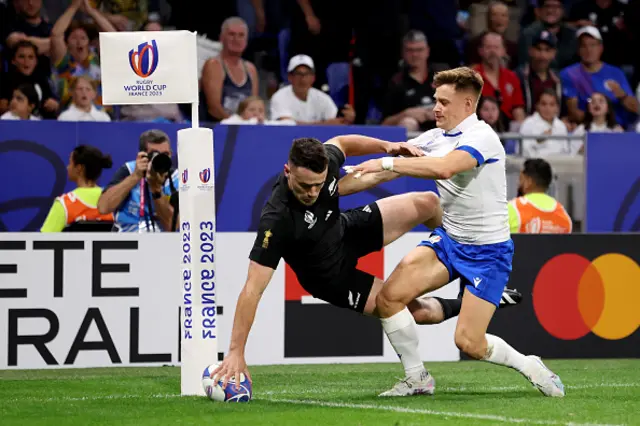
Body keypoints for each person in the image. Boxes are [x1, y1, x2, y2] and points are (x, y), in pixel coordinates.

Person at [212, 135, 522, 389]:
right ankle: (458, 317)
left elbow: (343, 143)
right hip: (329, 275)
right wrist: (236, 351)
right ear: (287, 171)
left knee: (428, 203)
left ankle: (473, 267)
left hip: (345, 230)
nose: (313, 192)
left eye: (319, 185)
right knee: (410, 310)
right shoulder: (276, 220)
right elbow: (252, 289)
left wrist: (386, 147)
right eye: (305, 186)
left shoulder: (324, 163)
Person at [346, 67, 564, 398]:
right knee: (389, 299)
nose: (436, 108)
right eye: (435, 100)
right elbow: (382, 172)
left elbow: (443, 167)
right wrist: (329, 187)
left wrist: (386, 164)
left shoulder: (483, 137)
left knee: (469, 343)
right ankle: (416, 377)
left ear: (467, 104)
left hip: (488, 254)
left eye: (444, 102)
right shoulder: (433, 137)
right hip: (449, 243)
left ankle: (528, 364)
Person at [97, 129, 178, 233]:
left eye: (165, 154)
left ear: (171, 154)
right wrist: (135, 177)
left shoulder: (175, 178)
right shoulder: (130, 170)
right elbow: (103, 208)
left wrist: (156, 189)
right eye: (155, 154)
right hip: (127, 240)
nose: (161, 159)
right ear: (142, 155)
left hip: (161, 242)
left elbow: (172, 226)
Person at [41, 145, 114, 232]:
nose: (67, 167)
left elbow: (43, 242)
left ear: (79, 168)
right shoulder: (114, 202)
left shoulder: (64, 204)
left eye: (70, 163)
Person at [508, 158, 572, 234]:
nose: (518, 184)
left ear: (529, 181)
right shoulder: (564, 216)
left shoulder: (512, 208)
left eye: (521, 179)